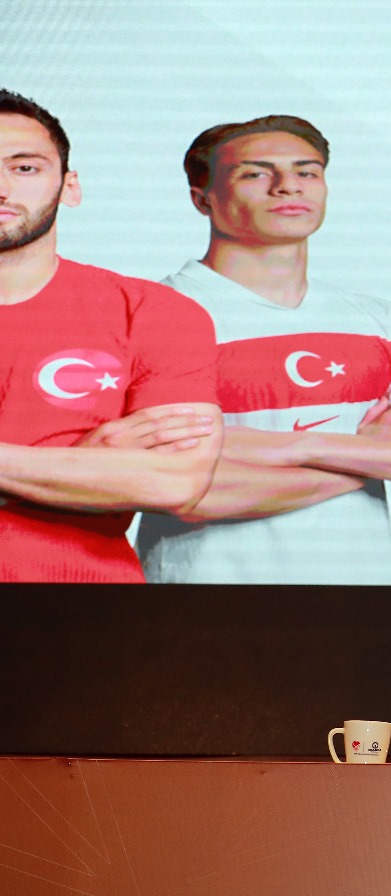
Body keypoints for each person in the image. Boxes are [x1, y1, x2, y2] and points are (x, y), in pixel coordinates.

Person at [135, 115, 391, 583]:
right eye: (255, 173)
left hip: (361, 603)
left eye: (306, 171)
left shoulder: (378, 320)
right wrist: (368, 454)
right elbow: (185, 493)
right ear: (202, 199)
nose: (287, 186)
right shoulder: (153, 315)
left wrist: (301, 445)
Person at [0, 89, 221, 582]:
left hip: (88, 611)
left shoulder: (152, 312)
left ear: (70, 186)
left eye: (25, 167)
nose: (1, 187)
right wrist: (76, 465)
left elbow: (175, 482)